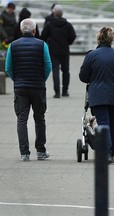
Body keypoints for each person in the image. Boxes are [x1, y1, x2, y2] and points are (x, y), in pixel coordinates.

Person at [79, 26, 114, 163]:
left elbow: (83, 76)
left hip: (97, 95)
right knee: (112, 123)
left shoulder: (91, 55)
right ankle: (112, 150)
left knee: (103, 123)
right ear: (112, 39)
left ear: (98, 39)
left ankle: (106, 153)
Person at [5, 18, 52, 161]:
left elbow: (8, 68)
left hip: (20, 88)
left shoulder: (12, 46)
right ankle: (41, 151)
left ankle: (24, 153)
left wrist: (17, 80)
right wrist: (41, 80)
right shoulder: (42, 45)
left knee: (21, 120)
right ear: (34, 30)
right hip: (38, 87)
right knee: (40, 118)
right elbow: (48, 66)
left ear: (20, 30)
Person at [41, 4, 76, 98]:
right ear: (62, 13)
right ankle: (65, 91)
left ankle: (57, 92)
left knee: (55, 70)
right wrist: (67, 42)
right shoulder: (67, 24)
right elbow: (73, 36)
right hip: (64, 50)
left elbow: (43, 36)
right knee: (66, 70)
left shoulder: (49, 24)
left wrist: (49, 42)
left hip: (53, 50)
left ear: (54, 12)